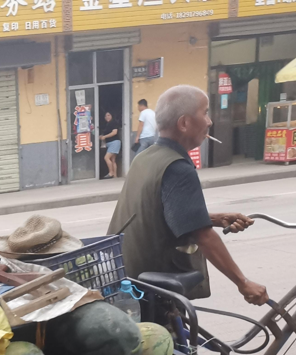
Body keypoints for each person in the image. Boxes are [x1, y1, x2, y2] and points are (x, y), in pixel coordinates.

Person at [108, 85, 269, 306]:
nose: (210, 121)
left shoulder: (145, 157)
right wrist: (243, 283)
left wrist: (214, 218)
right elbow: (204, 237)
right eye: (205, 113)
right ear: (184, 123)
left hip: (128, 278)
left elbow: (159, 212)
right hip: (153, 288)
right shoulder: (177, 167)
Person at [99, 111, 121, 178]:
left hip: (114, 142)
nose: (107, 117)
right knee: (113, 160)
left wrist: (104, 137)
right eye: (106, 116)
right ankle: (115, 176)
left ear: (112, 116)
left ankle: (111, 172)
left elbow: (114, 132)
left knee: (106, 157)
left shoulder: (113, 123)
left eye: (108, 115)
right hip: (110, 143)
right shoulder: (107, 124)